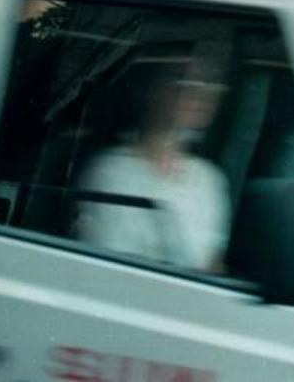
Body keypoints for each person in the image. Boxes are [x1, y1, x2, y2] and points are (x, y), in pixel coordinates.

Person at [77, 57, 230, 272]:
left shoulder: (208, 179)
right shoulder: (111, 171)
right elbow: (106, 268)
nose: (197, 93)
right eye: (181, 79)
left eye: (208, 82)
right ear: (153, 91)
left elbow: (212, 265)